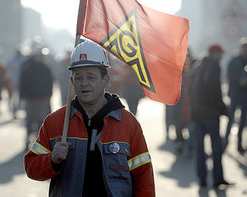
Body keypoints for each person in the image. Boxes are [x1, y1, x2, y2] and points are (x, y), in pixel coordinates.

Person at [24, 40, 155, 196]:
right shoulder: (56, 122)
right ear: (72, 81)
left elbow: (143, 178)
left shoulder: (128, 123)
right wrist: (52, 160)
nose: (84, 83)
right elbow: (31, 168)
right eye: (78, 78)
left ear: (105, 80)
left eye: (91, 77)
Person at [189, 44, 233, 188]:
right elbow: (214, 89)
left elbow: (189, 90)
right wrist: (222, 107)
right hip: (210, 114)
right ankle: (217, 178)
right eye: (220, 54)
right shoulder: (213, 66)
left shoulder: (197, 66)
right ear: (214, 53)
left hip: (197, 114)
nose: (221, 57)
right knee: (216, 147)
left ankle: (202, 179)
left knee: (200, 149)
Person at [20, 40, 53, 149]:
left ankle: (40, 142)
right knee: (29, 121)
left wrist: (48, 97)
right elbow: (23, 84)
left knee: (42, 122)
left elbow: (50, 84)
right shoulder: (27, 68)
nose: (40, 57)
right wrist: (23, 97)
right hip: (31, 101)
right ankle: (27, 139)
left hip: (43, 100)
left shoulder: (47, 68)